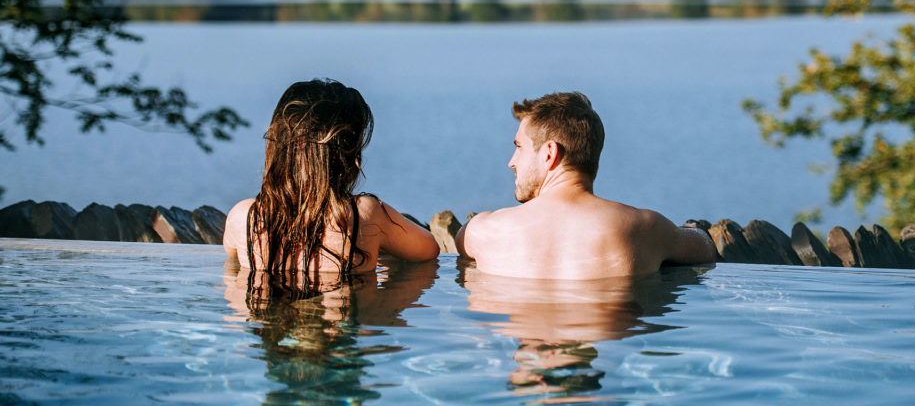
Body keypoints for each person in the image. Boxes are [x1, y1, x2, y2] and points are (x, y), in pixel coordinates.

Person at [456, 91, 716, 279]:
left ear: (549, 154)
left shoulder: (484, 231)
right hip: (606, 350)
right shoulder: (641, 227)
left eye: (519, 147)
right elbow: (703, 246)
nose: (511, 162)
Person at [223, 79, 439, 277]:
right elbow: (429, 249)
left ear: (276, 148)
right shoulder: (364, 214)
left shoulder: (244, 217)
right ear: (350, 155)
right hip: (346, 315)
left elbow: (231, 253)